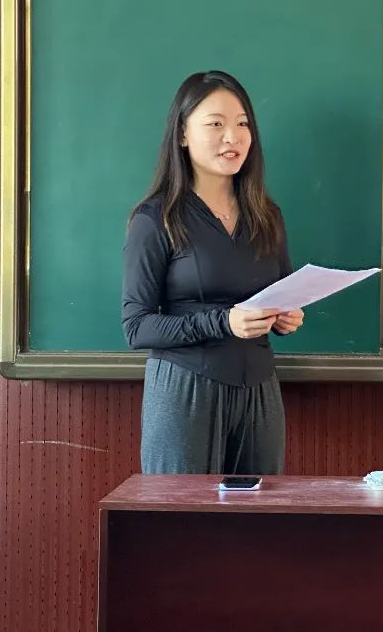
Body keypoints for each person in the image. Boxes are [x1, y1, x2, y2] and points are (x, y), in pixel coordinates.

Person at [121, 70, 303, 475]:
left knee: (260, 509)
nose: (232, 137)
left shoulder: (267, 216)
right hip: (185, 387)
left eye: (242, 124)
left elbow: (282, 291)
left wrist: (285, 317)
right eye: (216, 124)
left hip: (259, 388)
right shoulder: (157, 219)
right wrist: (224, 322)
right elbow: (137, 327)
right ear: (183, 134)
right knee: (180, 511)